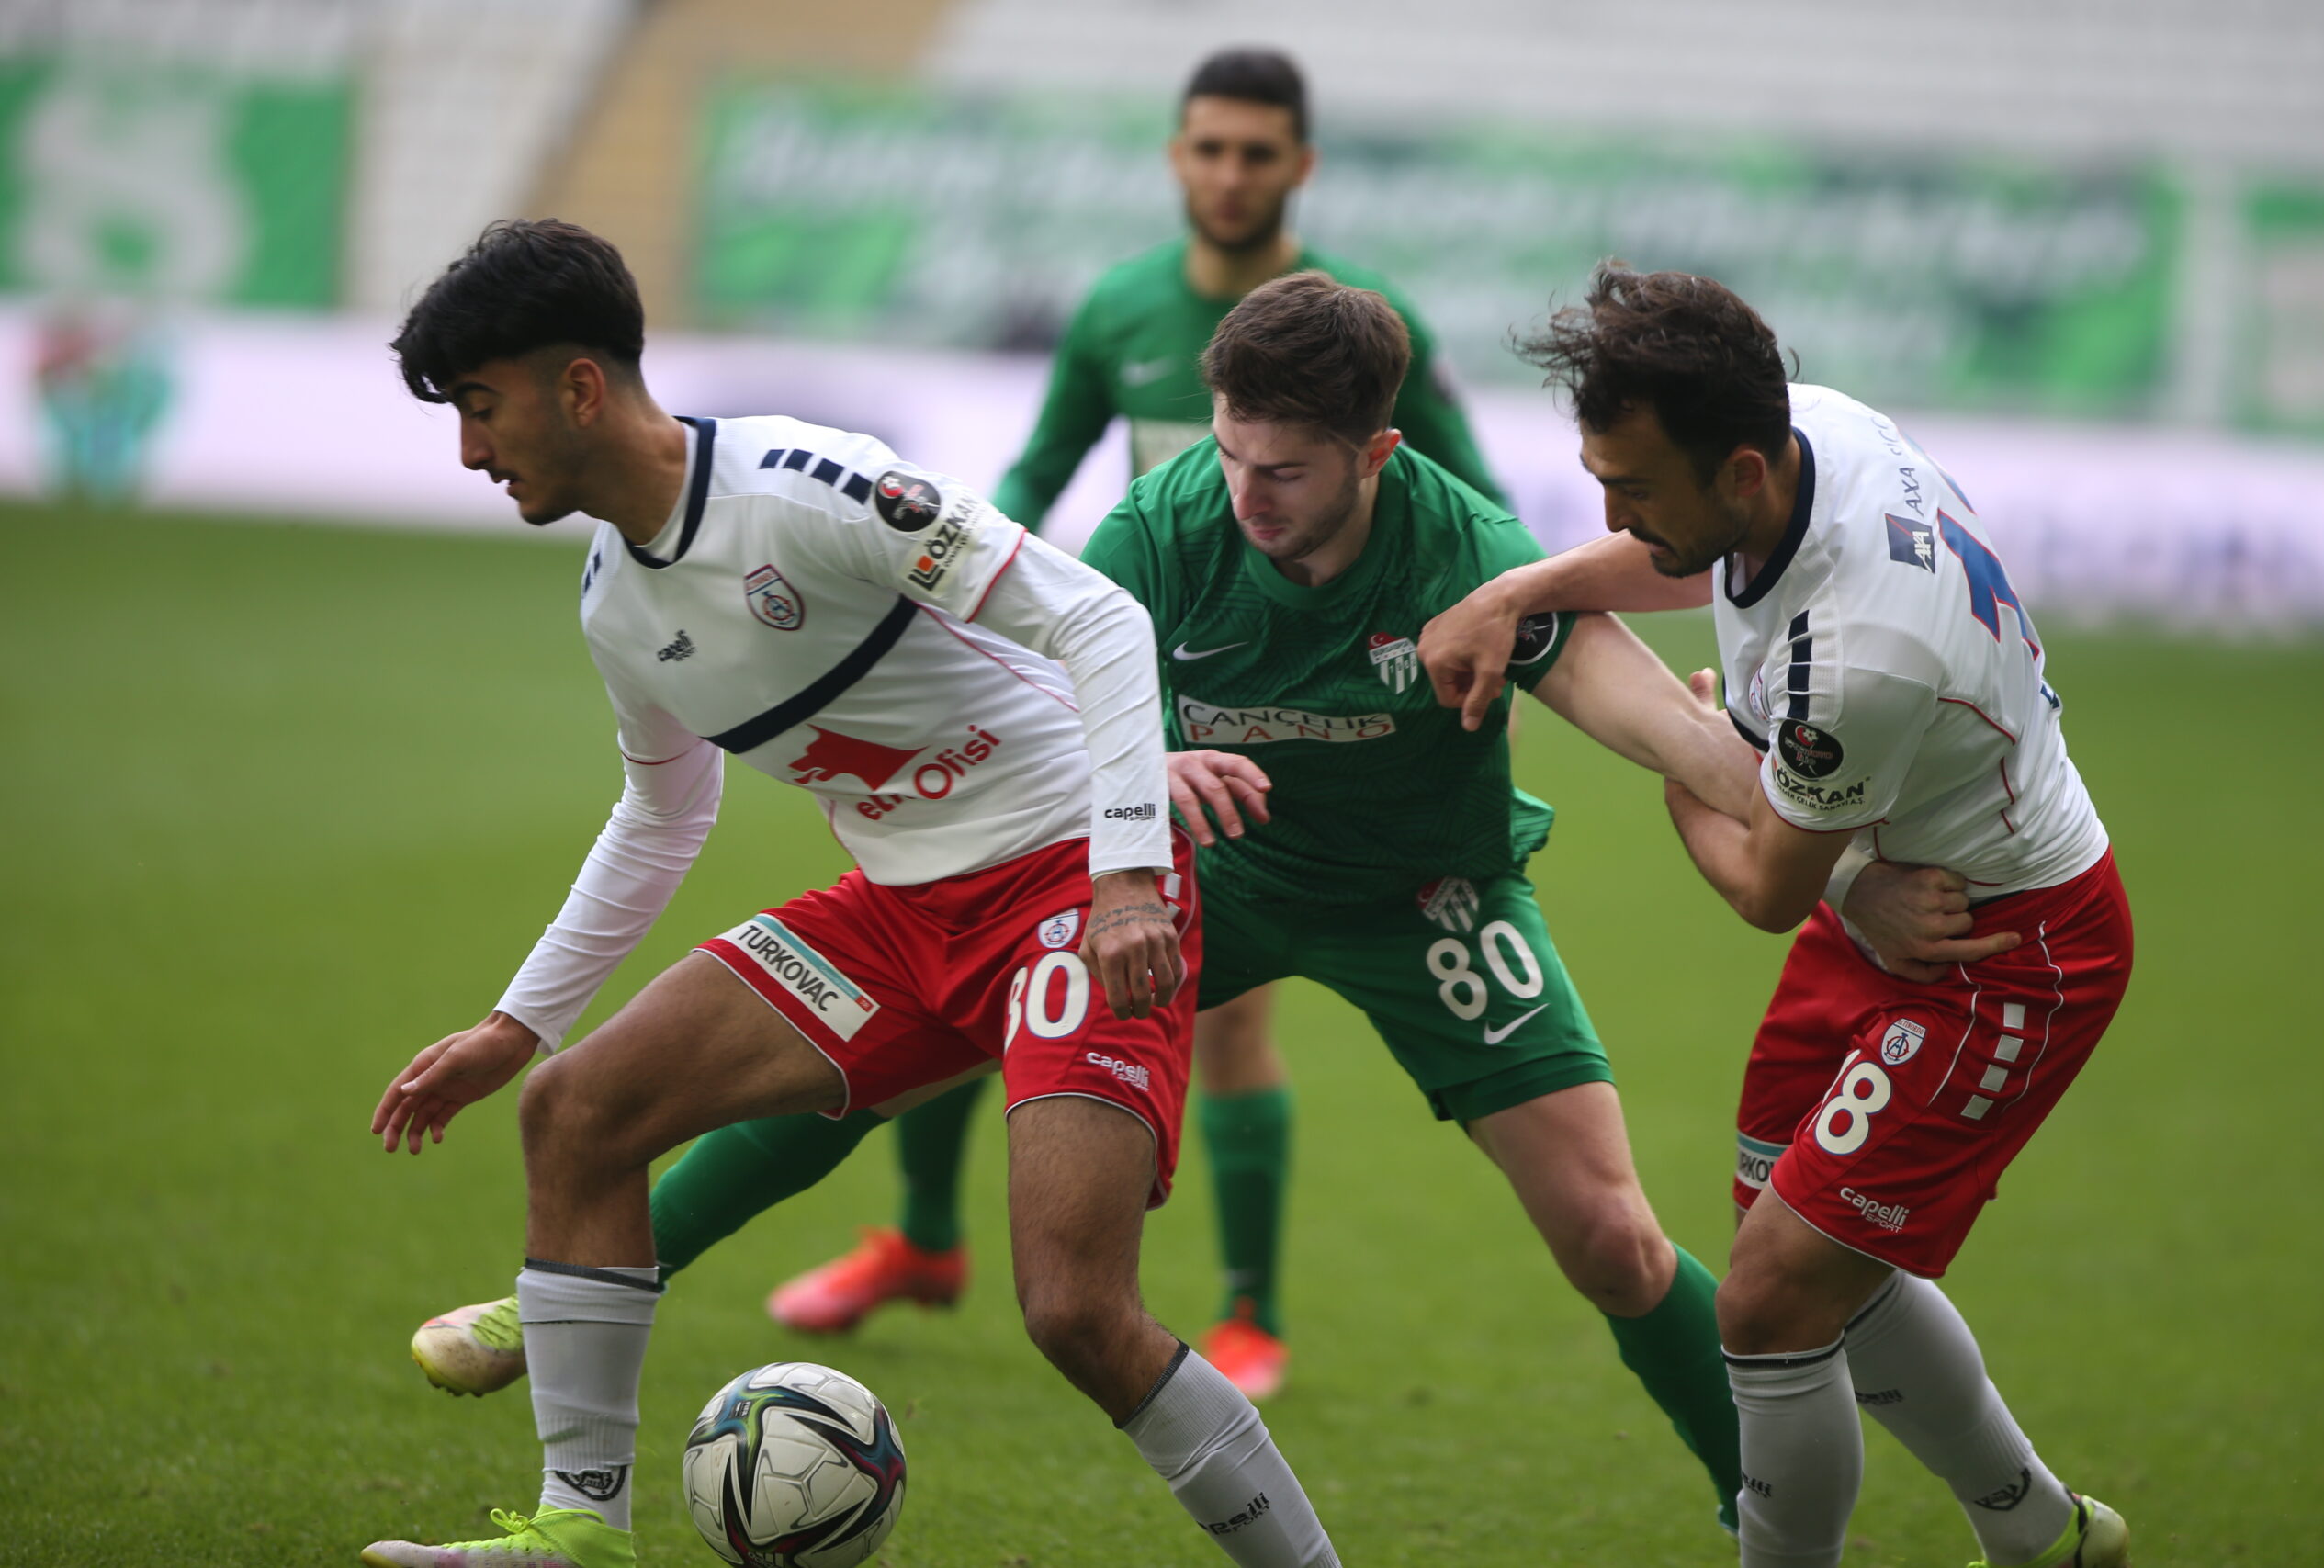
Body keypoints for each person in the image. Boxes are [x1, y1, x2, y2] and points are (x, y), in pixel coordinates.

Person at [358, 219, 1342, 1568]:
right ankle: (579, 1534)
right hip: (899, 919)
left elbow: (1100, 620)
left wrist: (1127, 874)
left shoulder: (810, 489)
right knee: (574, 1111)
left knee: (1074, 1311)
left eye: (481, 406)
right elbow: (664, 814)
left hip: (1070, 881)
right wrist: (514, 1024)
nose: (473, 451)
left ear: (578, 386)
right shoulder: (614, 603)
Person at [770, 49, 1508, 1399]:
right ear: (1177, 156)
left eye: (1256, 152)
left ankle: (1251, 1314)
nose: (1229, 173)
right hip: (1147, 687)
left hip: (1289, 699)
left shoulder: (1361, 327)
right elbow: (1032, 477)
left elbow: (1475, 495)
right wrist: (940, 605)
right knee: (982, 956)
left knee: (1225, 1022)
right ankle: (924, 1241)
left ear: (1300, 166)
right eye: (1208, 147)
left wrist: (1490, 618)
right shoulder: (1120, 308)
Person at [1417, 264, 2133, 1568]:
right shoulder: (1808, 429)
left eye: (1634, 486)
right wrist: (1523, 591)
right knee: (1803, 1258)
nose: (1611, 513)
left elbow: (1761, 884)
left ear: (1740, 471)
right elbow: (1678, 556)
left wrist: (1683, 766)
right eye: (1600, 479)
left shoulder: (1853, 660)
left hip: (2005, 949)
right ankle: (2043, 1536)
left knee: (1766, 1302)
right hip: (1892, 893)